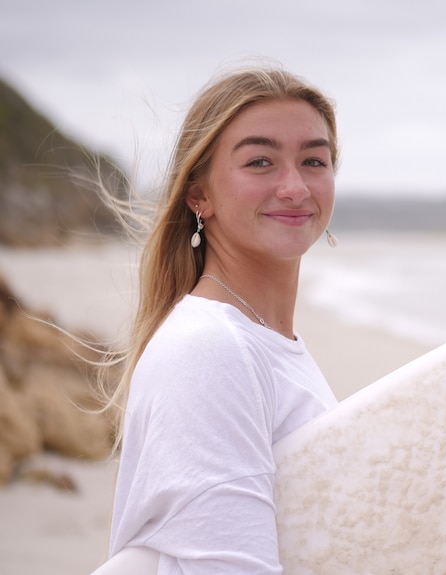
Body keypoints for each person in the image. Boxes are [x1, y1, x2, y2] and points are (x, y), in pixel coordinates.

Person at [95, 66, 341, 573]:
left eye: (313, 160)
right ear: (198, 195)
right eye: (260, 162)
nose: (294, 187)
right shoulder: (211, 349)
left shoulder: (263, 340)